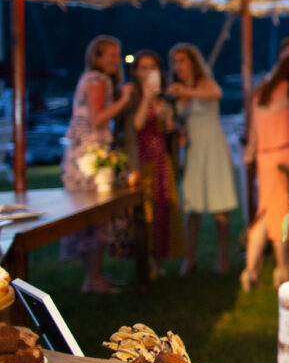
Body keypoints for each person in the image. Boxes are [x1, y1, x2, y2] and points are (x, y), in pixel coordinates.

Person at [61, 35, 135, 293]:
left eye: (118, 55)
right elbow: (97, 118)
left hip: (84, 154)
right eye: (112, 55)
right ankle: (93, 279)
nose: (116, 60)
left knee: (91, 218)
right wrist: (124, 99)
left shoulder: (91, 79)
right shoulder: (97, 79)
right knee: (96, 216)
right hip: (90, 158)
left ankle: (94, 276)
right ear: (97, 58)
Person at [243, 54, 289, 290]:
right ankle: (282, 270)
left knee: (265, 213)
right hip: (287, 156)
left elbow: (253, 129)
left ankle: (251, 271)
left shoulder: (262, 91)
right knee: (281, 214)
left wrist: (251, 153)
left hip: (265, 157)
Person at [167, 43, 238, 275]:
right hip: (194, 149)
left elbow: (216, 93)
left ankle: (222, 257)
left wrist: (185, 93)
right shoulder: (175, 90)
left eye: (182, 60)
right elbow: (179, 121)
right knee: (192, 204)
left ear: (192, 62)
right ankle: (189, 258)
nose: (178, 66)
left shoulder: (204, 84)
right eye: (175, 61)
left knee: (220, 204)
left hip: (213, 145)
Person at [121, 51, 184, 270]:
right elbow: (135, 126)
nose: (149, 72)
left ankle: (159, 258)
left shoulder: (165, 98)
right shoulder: (132, 96)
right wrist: (147, 98)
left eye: (153, 67)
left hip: (161, 161)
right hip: (141, 161)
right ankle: (144, 258)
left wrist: (169, 121)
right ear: (136, 71)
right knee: (144, 210)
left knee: (163, 207)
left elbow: (170, 131)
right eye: (144, 67)